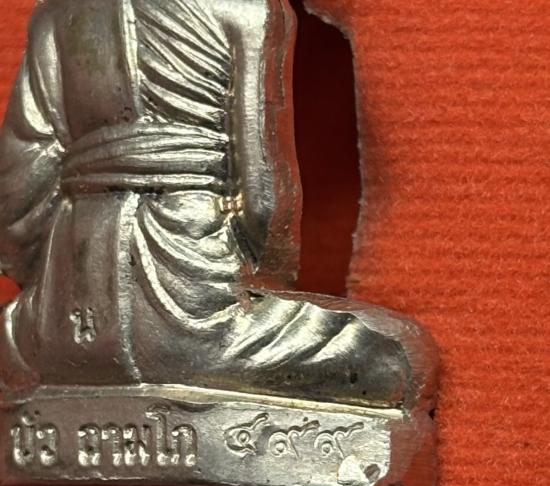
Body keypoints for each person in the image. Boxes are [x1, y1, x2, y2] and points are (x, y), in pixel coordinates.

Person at [0, 0, 437, 411]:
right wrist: (240, 288)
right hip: (191, 276)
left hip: (63, 308)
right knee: (391, 358)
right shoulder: (241, 8)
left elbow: (19, 185)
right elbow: (263, 198)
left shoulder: (55, 13)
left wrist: (55, 284)